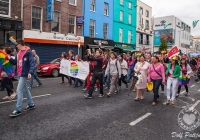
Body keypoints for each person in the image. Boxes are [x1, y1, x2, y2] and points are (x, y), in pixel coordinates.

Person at [9, 39, 35, 117]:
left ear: (20, 44)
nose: (16, 46)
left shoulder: (28, 52)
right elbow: (15, 62)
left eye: (17, 44)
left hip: (24, 74)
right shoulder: (19, 53)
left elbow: (32, 63)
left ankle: (18, 109)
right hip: (19, 73)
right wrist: (9, 58)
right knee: (25, 89)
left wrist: (30, 72)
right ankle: (31, 104)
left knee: (19, 90)